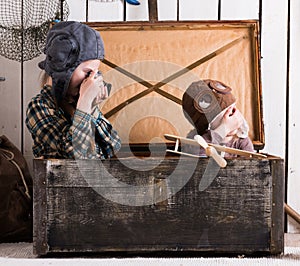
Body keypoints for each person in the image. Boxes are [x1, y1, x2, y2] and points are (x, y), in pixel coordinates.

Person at [26, 21, 121, 159]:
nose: (91, 79)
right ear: (64, 70)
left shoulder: (80, 104)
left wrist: (92, 108)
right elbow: (78, 154)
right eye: (87, 72)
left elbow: (113, 146)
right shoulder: (39, 107)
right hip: (58, 180)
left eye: (96, 72)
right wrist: (85, 103)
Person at [182, 79, 254, 157]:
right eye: (226, 115)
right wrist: (224, 129)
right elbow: (199, 160)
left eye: (234, 109)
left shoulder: (241, 141)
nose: (234, 117)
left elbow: (252, 165)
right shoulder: (196, 140)